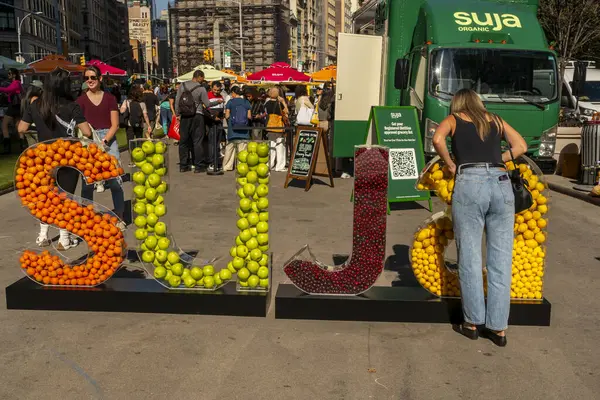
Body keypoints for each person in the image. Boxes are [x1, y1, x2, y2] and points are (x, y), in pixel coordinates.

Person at [432, 88, 527, 347]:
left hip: (470, 182)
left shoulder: (454, 120)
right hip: (500, 182)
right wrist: (500, 159)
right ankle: (498, 329)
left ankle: (473, 322)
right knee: (500, 258)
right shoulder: (495, 120)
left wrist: (451, 164)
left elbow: (438, 139)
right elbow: (521, 146)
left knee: (470, 256)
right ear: (478, 102)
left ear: (458, 103)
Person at [18, 68, 93, 250]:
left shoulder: (35, 105)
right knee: (65, 197)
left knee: (45, 197)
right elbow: (87, 132)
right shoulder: (72, 105)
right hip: (68, 156)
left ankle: (43, 235)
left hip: (44, 157)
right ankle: (64, 238)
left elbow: (21, 128)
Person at [76, 65, 125, 226]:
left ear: (100, 79)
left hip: (108, 140)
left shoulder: (110, 98)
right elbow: (78, 124)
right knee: (87, 182)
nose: (90, 80)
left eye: (93, 77)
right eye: (87, 78)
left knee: (115, 180)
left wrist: (104, 142)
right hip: (88, 140)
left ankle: (119, 215)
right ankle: (88, 217)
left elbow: (115, 124)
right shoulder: (80, 100)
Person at [174, 70, 210, 172]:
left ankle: (183, 166)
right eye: (202, 79)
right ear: (199, 77)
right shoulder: (201, 88)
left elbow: (177, 101)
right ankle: (198, 166)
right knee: (197, 141)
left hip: (185, 116)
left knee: (183, 141)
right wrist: (217, 102)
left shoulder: (182, 85)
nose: (203, 81)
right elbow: (207, 104)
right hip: (197, 116)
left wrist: (177, 114)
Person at [120, 85, 152, 164]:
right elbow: (145, 116)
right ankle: (140, 158)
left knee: (130, 142)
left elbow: (121, 111)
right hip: (139, 124)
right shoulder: (142, 103)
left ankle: (132, 160)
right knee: (139, 140)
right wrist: (148, 125)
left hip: (129, 125)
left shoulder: (126, 101)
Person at [223, 86, 251, 171]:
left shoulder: (230, 102)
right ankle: (241, 167)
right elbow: (249, 116)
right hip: (244, 130)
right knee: (242, 150)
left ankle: (227, 166)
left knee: (229, 149)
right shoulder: (246, 102)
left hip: (233, 129)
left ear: (234, 93)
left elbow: (227, 115)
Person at [1, 68, 25, 153]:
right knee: (18, 126)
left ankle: (7, 148)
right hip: (18, 107)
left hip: (13, 107)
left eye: (9, 73)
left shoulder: (15, 83)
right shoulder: (18, 83)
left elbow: (8, 90)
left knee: (4, 125)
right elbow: (11, 92)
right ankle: (22, 146)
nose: (8, 75)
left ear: (14, 75)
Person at [264, 86, 289, 171]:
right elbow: (286, 112)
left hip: (270, 126)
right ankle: (279, 166)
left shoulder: (267, 103)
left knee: (271, 146)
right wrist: (283, 101)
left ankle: (270, 164)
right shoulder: (279, 103)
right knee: (280, 146)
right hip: (278, 126)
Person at [206, 81, 225, 172]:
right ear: (211, 88)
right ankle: (211, 162)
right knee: (211, 143)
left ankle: (217, 161)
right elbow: (206, 109)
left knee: (217, 143)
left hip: (219, 123)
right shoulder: (207, 95)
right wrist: (213, 117)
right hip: (211, 123)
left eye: (218, 90)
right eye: (214, 90)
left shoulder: (221, 96)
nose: (216, 92)